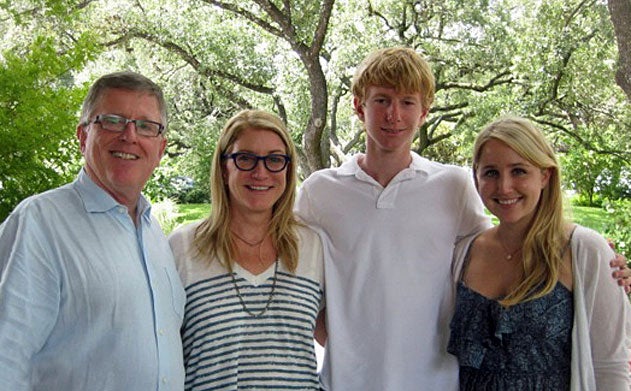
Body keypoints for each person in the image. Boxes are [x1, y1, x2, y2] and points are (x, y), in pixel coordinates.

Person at [295, 47, 631, 390]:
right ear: (358, 105)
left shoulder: (452, 186)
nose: (393, 115)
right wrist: (345, 343)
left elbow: (503, 246)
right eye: (381, 100)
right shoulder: (319, 192)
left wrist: (595, 261)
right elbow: (294, 278)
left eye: (408, 102)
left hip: (437, 381)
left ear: (425, 111)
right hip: (345, 382)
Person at [0, 71, 186, 390]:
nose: (129, 136)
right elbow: (6, 357)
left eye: (145, 126)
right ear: (83, 136)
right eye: (112, 121)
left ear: (160, 148)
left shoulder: (154, 231)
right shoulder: (39, 223)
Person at [448, 116, 631, 390]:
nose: (504, 187)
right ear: (476, 178)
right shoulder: (465, 252)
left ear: (545, 175)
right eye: (491, 173)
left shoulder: (584, 251)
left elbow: (609, 365)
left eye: (519, 171)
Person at [168, 109, 324, 390]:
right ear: (224, 166)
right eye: (245, 158)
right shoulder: (183, 247)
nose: (260, 172)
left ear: (288, 168)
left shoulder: (313, 247)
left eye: (275, 159)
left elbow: (340, 338)